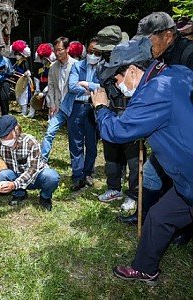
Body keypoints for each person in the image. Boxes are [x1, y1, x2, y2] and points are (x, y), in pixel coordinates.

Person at [91, 37, 193, 285]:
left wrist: (101, 108)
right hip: (185, 181)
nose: (117, 85)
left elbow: (117, 131)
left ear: (133, 71)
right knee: (159, 216)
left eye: (117, 78)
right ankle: (145, 268)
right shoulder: (176, 72)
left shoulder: (154, 91)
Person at [119, 12, 193, 244]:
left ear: (168, 35)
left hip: (183, 139)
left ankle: (181, 229)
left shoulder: (188, 56)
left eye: (148, 39)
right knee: (152, 174)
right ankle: (146, 217)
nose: (144, 45)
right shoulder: (160, 57)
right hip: (167, 132)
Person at [94, 25, 141, 211]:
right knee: (111, 156)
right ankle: (114, 188)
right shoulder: (103, 65)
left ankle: (134, 194)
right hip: (111, 113)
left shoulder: (135, 63)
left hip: (131, 117)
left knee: (134, 160)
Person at [0, 115, 60, 211]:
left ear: (15, 130)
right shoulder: (0, 145)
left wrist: (14, 184)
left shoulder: (30, 142)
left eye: (5, 136)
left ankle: (45, 197)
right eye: (1, 137)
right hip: (17, 176)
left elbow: (32, 170)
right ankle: (19, 194)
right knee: (2, 175)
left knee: (52, 177)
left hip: (36, 177)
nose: (3, 140)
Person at [67, 38, 101, 191]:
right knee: (76, 143)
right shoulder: (77, 66)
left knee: (92, 144)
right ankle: (77, 175)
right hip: (77, 107)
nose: (93, 55)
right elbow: (72, 86)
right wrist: (91, 90)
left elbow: (102, 87)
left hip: (94, 108)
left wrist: (86, 84)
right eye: (90, 51)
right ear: (86, 50)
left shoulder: (103, 68)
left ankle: (88, 173)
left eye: (96, 53)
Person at [41, 37, 77, 162]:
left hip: (73, 106)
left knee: (74, 137)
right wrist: (51, 104)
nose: (57, 53)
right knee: (49, 132)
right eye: (55, 50)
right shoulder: (53, 67)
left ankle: (76, 163)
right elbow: (50, 86)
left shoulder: (76, 65)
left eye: (60, 50)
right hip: (58, 106)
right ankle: (42, 160)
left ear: (67, 49)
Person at [30, 43, 56, 118]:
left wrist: (46, 89)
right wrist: (37, 88)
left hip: (49, 86)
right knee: (35, 97)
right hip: (40, 85)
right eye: (42, 58)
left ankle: (50, 117)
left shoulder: (53, 66)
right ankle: (31, 114)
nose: (43, 60)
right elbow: (37, 76)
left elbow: (54, 79)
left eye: (44, 58)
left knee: (49, 101)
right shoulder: (41, 66)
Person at [9, 40, 32, 116]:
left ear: (22, 54)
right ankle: (22, 110)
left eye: (18, 54)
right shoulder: (16, 62)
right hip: (18, 81)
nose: (16, 56)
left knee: (23, 97)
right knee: (19, 96)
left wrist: (26, 74)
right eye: (15, 54)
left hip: (24, 82)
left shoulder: (25, 62)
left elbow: (28, 71)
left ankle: (24, 111)